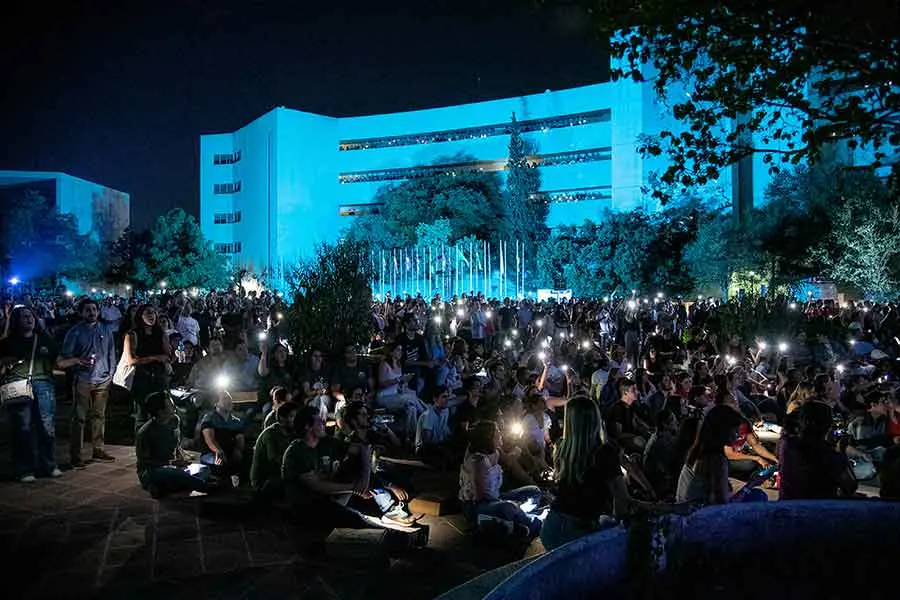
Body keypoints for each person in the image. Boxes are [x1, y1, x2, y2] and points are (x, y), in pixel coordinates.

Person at [0, 306, 61, 481]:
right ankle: (24, 469)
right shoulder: (7, 343)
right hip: (18, 385)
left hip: (43, 385)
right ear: (16, 321)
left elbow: (58, 361)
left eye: (31, 316)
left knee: (46, 426)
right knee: (22, 428)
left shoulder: (44, 339)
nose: (29, 319)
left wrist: (79, 360)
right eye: (25, 317)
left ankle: (48, 465)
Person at [458, 420, 543, 540]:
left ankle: (516, 520)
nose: (501, 434)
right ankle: (532, 521)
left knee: (534, 492)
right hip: (477, 505)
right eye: (497, 432)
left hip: (496, 498)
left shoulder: (495, 451)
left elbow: (508, 460)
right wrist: (507, 503)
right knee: (508, 507)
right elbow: (480, 496)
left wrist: (518, 446)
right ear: (488, 437)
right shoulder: (478, 461)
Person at [58, 298, 118, 468]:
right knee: (79, 418)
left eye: (94, 309)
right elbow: (65, 355)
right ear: (81, 313)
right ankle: (76, 454)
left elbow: (111, 352)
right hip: (83, 379)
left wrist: (111, 373)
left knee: (99, 416)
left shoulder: (105, 329)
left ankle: (98, 449)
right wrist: (78, 362)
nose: (92, 312)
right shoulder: (74, 332)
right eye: (88, 310)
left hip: (103, 379)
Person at [676, 405, 767, 504]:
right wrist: (751, 484)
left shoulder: (698, 450)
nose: (737, 435)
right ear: (723, 431)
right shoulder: (715, 459)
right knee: (758, 495)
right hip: (699, 513)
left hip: (685, 506)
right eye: (735, 431)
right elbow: (722, 503)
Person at [778, 401, 857, 500]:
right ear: (826, 426)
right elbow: (850, 486)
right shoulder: (829, 456)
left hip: (788, 504)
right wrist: (841, 451)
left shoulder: (786, 443)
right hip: (818, 509)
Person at [136, 392, 208, 498]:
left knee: (204, 468)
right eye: (170, 405)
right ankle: (206, 486)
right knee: (176, 474)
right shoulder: (145, 432)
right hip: (153, 471)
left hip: (173, 467)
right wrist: (171, 463)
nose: (174, 407)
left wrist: (181, 459)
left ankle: (163, 487)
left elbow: (176, 444)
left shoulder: (174, 420)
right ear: (160, 412)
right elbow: (145, 462)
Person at [122, 305, 171, 432]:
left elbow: (167, 355)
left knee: (162, 413)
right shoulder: (132, 335)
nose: (151, 316)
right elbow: (131, 360)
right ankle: (142, 445)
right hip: (141, 378)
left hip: (159, 378)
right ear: (140, 316)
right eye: (148, 313)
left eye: (153, 313)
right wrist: (154, 358)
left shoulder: (160, 333)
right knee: (142, 415)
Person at [376, 342, 428, 441]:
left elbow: (397, 385)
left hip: (395, 395)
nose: (400, 352)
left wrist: (404, 383)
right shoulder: (384, 364)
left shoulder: (399, 365)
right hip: (384, 397)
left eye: (401, 350)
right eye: (398, 350)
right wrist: (399, 380)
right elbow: (382, 384)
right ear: (391, 352)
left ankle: (411, 438)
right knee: (408, 397)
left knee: (411, 408)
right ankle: (426, 413)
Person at [250, 401, 298, 502]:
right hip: (265, 481)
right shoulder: (270, 434)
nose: (295, 420)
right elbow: (274, 459)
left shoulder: (291, 434)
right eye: (292, 416)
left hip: (278, 476)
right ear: (282, 418)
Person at [199, 390, 247, 484]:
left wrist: (238, 449)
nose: (229, 401)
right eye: (225, 399)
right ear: (216, 403)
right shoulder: (209, 418)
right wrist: (218, 451)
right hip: (211, 453)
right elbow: (210, 440)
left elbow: (240, 440)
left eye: (230, 399)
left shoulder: (235, 421)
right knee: (219, 463)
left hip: (229, 452)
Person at [415, 385, 453, 466]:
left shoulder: (445, 411)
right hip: (424, 449)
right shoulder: (428, 415)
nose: (447, 400)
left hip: (438, 444)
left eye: (448, 397)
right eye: (444, 397)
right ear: (435, 399)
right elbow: (427, 441)